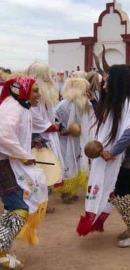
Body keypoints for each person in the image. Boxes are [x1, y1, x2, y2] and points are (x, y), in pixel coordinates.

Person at [77, 65, 130, 248]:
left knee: (121, 190)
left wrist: (112, 152)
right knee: (124, 190)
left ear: (117, 81)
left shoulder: (128, 102)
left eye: (108, 79)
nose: (104, 81)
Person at [0, 77, 48, 269]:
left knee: (12, 208)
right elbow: (2, 134)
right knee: (19, 208)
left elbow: (14, 134)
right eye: (35, 90)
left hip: (6, 162)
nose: (39, 94)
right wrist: (22, 154)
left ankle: (3, 250)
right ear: (22, 90)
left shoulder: (20, 106)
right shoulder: (13, 108)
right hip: (3, 164)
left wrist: (31, 143)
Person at [26, 63, 65, 190]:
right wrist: (51, 127)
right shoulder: (33, 96)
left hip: (49, 134)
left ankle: (43, 198)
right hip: (38, 137)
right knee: (40, 168)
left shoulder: (46, 96)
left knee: (47, 167)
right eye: (46, 77)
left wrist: (55, 125)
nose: (50, 80)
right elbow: (34, 117)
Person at [55, 78, 93, 204]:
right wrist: (65, 130)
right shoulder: (69, 105)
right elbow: (55, 121)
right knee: (69, 162)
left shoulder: (64, 104)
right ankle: (66, 192)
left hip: (77, 140)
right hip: (68, 140)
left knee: (72, 162)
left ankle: (69, 192)